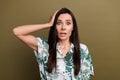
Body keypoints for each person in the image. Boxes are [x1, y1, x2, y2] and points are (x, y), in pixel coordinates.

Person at [13, 8, 94, 80]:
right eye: (58, 23)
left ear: (73, 27)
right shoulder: (43, 47)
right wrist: (48, 24)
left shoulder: (82, 49)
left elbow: (86, 76)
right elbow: (17, 32)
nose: (63, 27)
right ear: (54, 26)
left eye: (68, 23)